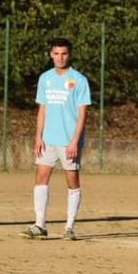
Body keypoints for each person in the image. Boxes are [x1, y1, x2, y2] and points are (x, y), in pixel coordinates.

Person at [20, 38, 91, 240]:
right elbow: (42, 109)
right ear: (51, 54)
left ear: (69, 55)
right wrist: (38, 137)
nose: (60, 57)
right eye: (56, 53)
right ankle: (39, 224)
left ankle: (69, 227)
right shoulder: (45, 79)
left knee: (72, 181)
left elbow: (82, 113)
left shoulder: (79, 80)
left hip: (69, 141)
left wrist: (74, 141)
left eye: (64, 54)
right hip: (48, 140)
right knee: (40, 179)